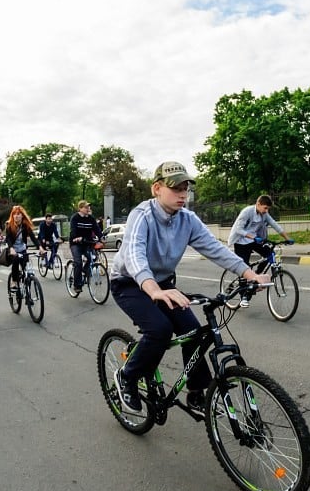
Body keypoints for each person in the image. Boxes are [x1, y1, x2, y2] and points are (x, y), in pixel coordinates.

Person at [110, 161, 269, 413]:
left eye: (185, 187)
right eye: (175, 188)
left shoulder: (187, 219)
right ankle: (128, 377)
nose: (183, 194)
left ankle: (196, 391)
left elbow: (214, 248)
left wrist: (249, 273)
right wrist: (153, 290)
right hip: (129, 282)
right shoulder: (141, 216)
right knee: (160, 330)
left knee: (193, 331)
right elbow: (134, 256)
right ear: (156, 189)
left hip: (162, 284)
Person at [227, 195, 293, 307]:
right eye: (265, 208)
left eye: (268, 209)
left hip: (254, 240)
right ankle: (244, 297)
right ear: (258, 204)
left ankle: (256, 276)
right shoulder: (247, 212)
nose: (266, 211)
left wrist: (287, 238)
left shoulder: (264, 214)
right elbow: (238, 229)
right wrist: (252, 237)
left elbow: (275, 225)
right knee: (244, 267)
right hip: (241, 241)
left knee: (270, 254)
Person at [4, 205, 42, 290]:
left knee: (26, 269)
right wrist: (11, 248)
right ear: (12, 215)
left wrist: (40, 247)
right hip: (13, 249)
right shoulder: (9, 225)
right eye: (14, 214)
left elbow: (33, 238)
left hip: (22, 249)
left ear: (22, 215)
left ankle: (27, 292)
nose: (16, 216)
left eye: (18, 214)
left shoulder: (25, 226)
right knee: (15, 260)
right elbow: (8, 239)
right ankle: (14, 281)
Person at [68, 200, 102, 294]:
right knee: (78, 262)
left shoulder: (91, 218)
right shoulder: (75, 218)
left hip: (87, 242)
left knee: (93, 257)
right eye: (86, 207)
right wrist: (76, 238)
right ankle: (77, 285)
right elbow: (73, 230)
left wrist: (101, 238)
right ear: (80, 208)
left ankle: (84, 271)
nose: (88, 209)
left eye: (89, 207)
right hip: (76, 244)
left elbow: (97, 229)